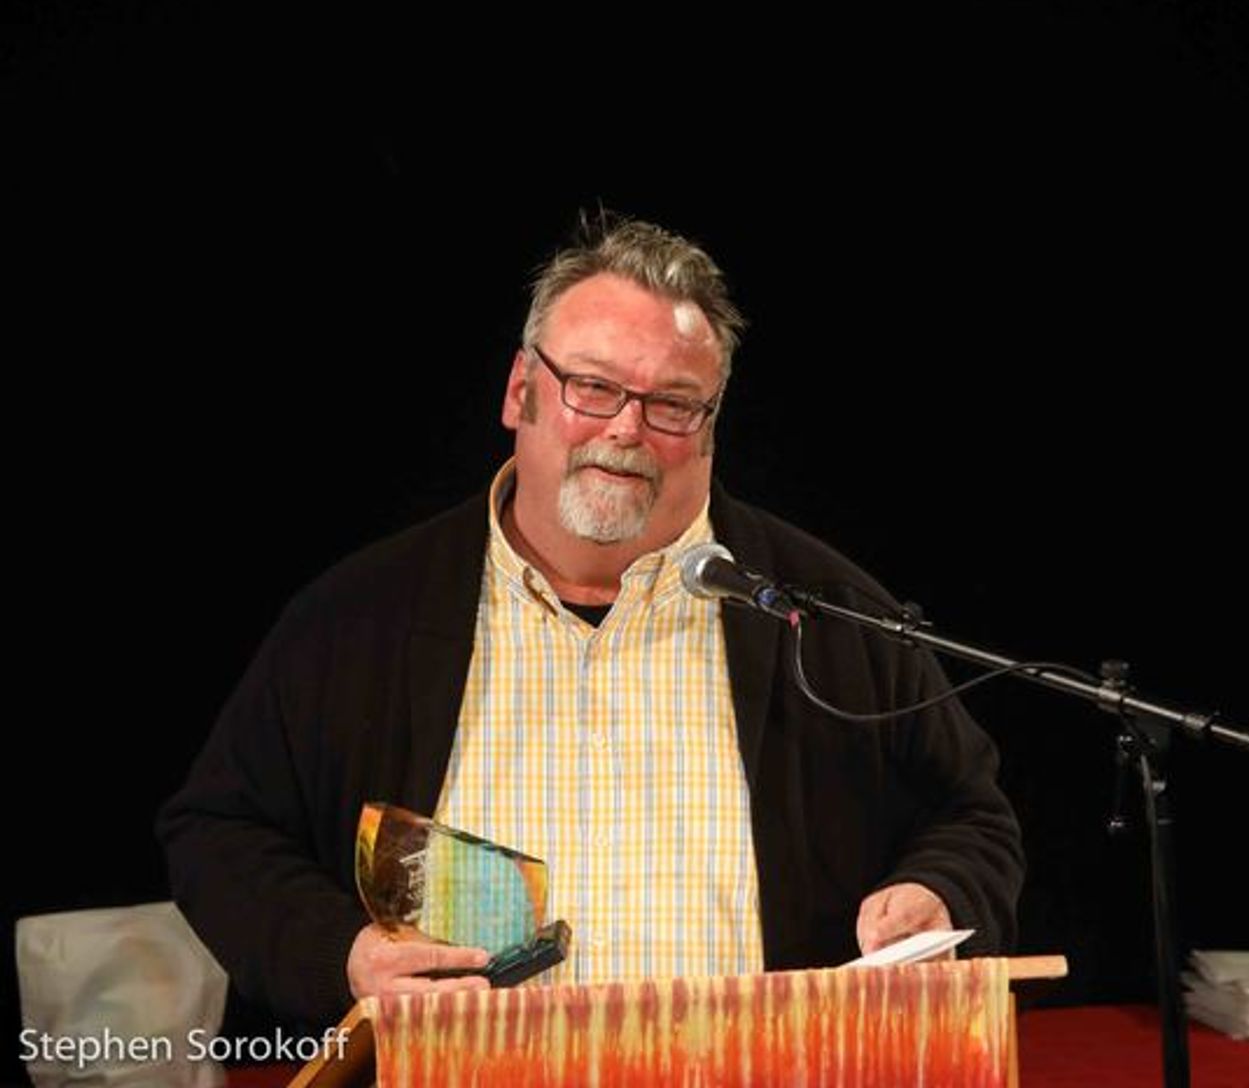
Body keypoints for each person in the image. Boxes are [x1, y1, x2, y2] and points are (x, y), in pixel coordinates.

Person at [158, 215, 1023, 1031]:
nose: (625, 429)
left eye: (672, 403)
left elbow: (972, 819)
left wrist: (939, 893)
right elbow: (217, 834)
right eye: (593, 387)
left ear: (712, 425)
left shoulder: (824, 611)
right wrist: (342, 956)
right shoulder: (359, 618)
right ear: (520, 390)